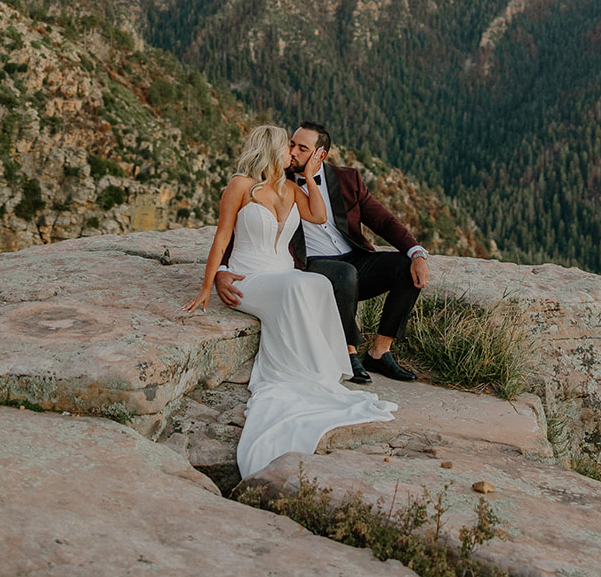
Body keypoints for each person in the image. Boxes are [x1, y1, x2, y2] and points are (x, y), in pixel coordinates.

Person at [183, 124, 395, 478]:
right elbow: (222, 236)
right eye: (288, 148)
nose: (293, 154)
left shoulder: (290, 188)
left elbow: (319, 215)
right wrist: (209, 283)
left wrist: (310, 178)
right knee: (299, 288)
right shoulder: (240, 186)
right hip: (250, 276)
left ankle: (323, 371)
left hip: (284, 272)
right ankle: (300, 377)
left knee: (316, 285)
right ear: (271, 151)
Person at [212, 122, 430, 384]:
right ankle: (348, 352)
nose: (292, 152)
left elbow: (383, 221)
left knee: (404, 267)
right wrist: (222, 270)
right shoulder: (279, 179)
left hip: (354, 259)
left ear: (320, 155)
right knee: (344, 274)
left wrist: (416, 253)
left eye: (302, 148)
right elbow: (240, 227)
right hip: (310, 265)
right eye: (291, 144)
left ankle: (379, 352)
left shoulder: (348, 179)